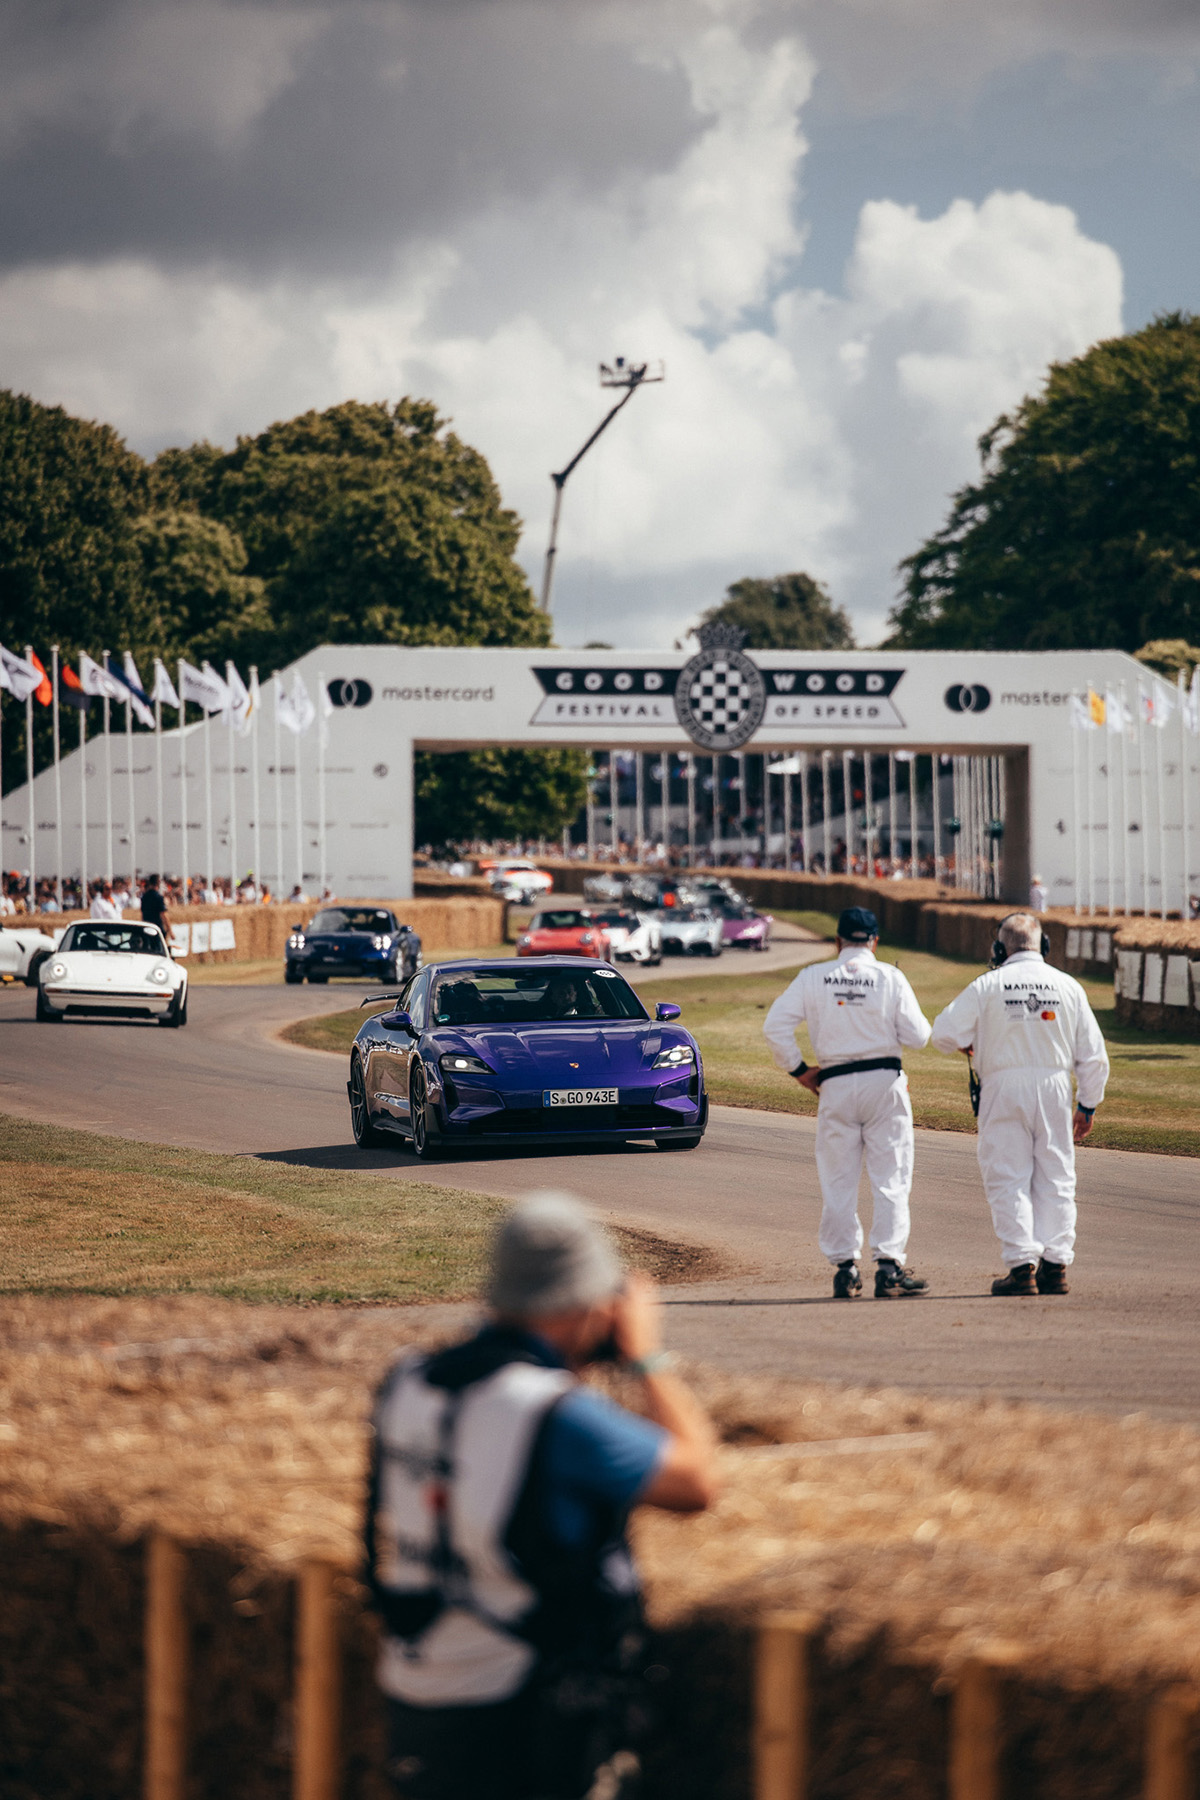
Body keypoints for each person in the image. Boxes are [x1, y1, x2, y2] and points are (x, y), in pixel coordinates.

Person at [366, 1193, 717, 1800]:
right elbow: (698, 1482)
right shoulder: (554, 1413)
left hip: (418, 1692)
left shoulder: (409, 1381)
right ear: (589, 1302)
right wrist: (646, 1357)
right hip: (525, 1713)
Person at [931, 911, 1109, 1295]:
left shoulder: (987, 984)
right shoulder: (1068, 986)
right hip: (1054, 1086)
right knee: (1056, 1175)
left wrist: (968, 1043)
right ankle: (1056, 1265)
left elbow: (943, 1033)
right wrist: (1087, 1105)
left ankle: (1021, 1265)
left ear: (999, 949)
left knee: (1007, 1175)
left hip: (1002, 1085)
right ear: (1044, 945)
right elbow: (1094, 1056)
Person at [762, 907, 933, 1300]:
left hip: (835, 1083)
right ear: (874, 941)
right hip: (884, 1082)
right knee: (891, 1177)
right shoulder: (890, 977)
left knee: (838, 1178)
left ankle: (845, 1268)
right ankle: (888, 1267)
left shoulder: (813, 976)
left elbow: (775, 1027)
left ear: (838, 940)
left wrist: (800, 1070)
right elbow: (919, 1036)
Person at [141, 873, 170, 941]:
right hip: (157, 928)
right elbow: (163, 914)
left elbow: (142, 913)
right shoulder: (159, 897)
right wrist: (169, 929)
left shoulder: (144, 897)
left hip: (146, 927)